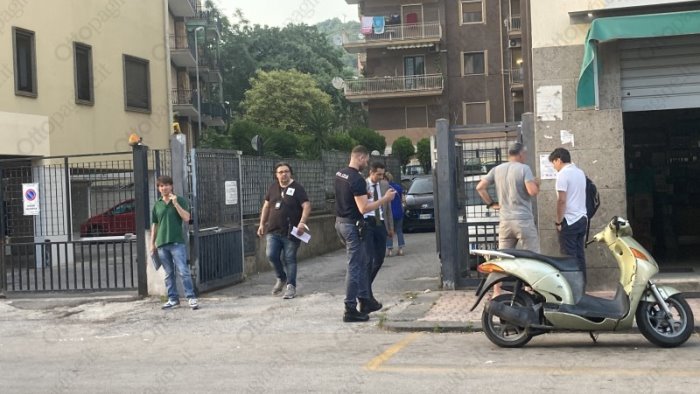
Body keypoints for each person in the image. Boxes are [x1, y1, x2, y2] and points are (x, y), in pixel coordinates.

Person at [335, 146, 396, 323]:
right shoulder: (357, 179)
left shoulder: (340, 174)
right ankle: (350, 308)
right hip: (352, 226)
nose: (367, 163)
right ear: (360, 158)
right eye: (366, 160)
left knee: (362, 264)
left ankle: (365, 299)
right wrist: (384, 199)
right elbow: (364, 208)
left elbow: (348, 198)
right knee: (355, 266)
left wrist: (365, 195)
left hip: (340, 222)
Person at [476, 142, 540, 296]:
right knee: (532, 257)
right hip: (523, 221)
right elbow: (532, 191)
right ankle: (529, 290)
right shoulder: (524, 169)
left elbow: (480, 187)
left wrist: (491, 204)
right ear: (520, 154)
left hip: (505, 221)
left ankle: (496, 291)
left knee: (501, 259)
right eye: (524, 154)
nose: (525, 157)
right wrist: (537, 183)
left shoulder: (497, 169)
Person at [257, 162, 311, 300]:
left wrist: (302, 222)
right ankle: (281, 277)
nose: (283, 174)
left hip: (290, 231)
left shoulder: (297, 188)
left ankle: (291, 286)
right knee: (271, 255)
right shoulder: (273, 187)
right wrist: (262, 224)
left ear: (290, 173)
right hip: (273, 230)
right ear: (276, 175)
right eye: (280, 172)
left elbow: (306, 205)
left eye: (286, 171)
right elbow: (266, 206)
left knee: (289, 259)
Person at [150, 175, 198, 310]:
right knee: (168, 273)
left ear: (171, 186)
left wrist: (175, 203)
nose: (163, 188)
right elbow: (155, 225)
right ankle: (173, 299)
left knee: (183, 271)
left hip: (177, 243)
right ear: (158, 188)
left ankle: (191, 297)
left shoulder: (180, 200)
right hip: (162, 244)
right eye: (160, 186)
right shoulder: (157, 204)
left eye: (166, 185)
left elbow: (187, 218)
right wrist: (152, 244)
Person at [549, 147, 588, 282]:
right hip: (582, 218)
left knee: (569, 257)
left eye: (553, 163)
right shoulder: (580, 172)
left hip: (569, 220)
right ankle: (582, 285)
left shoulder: (563, 174)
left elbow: (561, 200)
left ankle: (573, 288)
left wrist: (558, 222)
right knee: (579, 255)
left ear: (558, 160)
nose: (554, 167)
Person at [364, 162, 394, 310]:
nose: (381, 177)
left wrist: (390, 227)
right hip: (367, 223)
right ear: (371, 172)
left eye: (382, 174)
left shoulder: (384, 186)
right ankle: (366, 294)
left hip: (380, 223)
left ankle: (365, 286)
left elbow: (387, 208)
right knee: (368, 259)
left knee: (379, 259)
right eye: (378, 174)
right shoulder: (363, 185)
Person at [384, 172, 405, 257]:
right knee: (399, 231)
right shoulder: (398, 187)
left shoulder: (385, 188)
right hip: (399, 212)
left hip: (390, 213)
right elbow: (402, 198)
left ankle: (389, 250)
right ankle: (401, 249)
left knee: (389, 231)